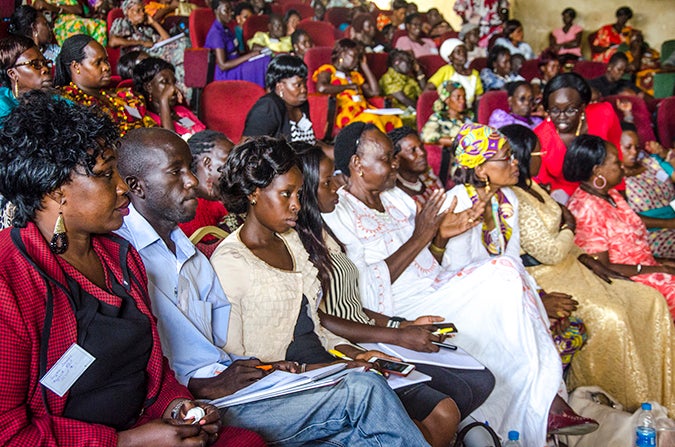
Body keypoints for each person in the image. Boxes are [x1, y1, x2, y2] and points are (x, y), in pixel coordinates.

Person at [114, 128, 427, 446]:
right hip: (224, 398)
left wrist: (340, 358)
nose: (193, 180)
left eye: (298, 194)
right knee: (366, 390)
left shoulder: (191, 257)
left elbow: (296, 331)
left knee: (363, 433)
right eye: (175, 171)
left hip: (259, 380)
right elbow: (225, 355)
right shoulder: (132, 260)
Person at [322, 121, 593, 444]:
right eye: (386, 158)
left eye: (395, 156)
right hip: (398, 304)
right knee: (503, 276)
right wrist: (423, 235)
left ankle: (540, 401)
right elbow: (362, 290)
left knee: (506, 273)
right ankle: (539, 406)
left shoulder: (398, 200)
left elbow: (429, 262)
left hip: (436, 284)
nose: (396, 163)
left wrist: (440, 238)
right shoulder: (340, 214)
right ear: (358, 165)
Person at [0, 91, 233, 447]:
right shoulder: (10, 278)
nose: (123, 188)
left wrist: (176, 404)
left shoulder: (120, 256)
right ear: (56, 190)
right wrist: (126, 441)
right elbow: (9, 433)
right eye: (106, 175)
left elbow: (151, 373)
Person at [294, 143, 497, 445]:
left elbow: (351, 303)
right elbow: (324, 319)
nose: (337, 186)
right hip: (348, 341)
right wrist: (397, 335)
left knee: (481, 381)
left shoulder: (325, 232)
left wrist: (401, 324)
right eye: (327, 182)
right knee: (453, 400)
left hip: (369, 328)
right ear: (306, 191)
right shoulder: (301, 245)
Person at [502, 123, 675, 413]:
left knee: (650, 300)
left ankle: (661, 394)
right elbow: (550, 250)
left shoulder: (533, 187)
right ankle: (625, 402)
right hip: (547, 273)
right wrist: (570, 227)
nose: (543, 156)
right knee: (613, 315)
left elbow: (568, 245)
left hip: (573, 263)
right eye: (537, 151)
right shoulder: (514, 198)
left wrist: (588, 259)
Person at [563, 134, 675, 317]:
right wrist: (657, 269)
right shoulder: (585, 209)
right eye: (616, 163)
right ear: (598, 170)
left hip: (645, 267)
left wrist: (659, 263)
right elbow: (603, 268)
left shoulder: (611, 194)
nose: (622, 167)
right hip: (625, 280)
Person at [533, 73, 622, 203]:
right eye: (554, 110)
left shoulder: (604, 114)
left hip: (603, 187)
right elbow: (541, 182)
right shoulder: (540, 137)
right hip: (564, 197)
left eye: (570, 110)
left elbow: (617, 154)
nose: (561, 117)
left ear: (582, 107)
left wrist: (620, 192)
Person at [55, 35, 155, 135]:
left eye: (106, 60)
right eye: (98, 62)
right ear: (76, 66)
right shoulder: (68, 101)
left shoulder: (120, 97)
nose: (106, 67)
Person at [313, 38, 402, 132]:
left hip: (364, 111)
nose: (356, 61)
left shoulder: (355, 76)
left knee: (393, 119)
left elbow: (375, 92)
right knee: (373, 121)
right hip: (346, 114)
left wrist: (365, 66)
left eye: (358, 58)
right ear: (343, 54)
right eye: (354, 56)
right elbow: (322, 88)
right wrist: (348, 87)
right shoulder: (328, 70)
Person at [109, 0, 190, 95]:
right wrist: (142, 43)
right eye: (138, 10)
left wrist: (153, 23)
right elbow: (113, 42)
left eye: (143, 10)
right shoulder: (123, 23)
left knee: (181, 44)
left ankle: (183, 88)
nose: (142, 13)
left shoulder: (145, 27)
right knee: (178, 51)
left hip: (152, 54)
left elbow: (168, 40)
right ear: (129, 11)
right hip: (136, 59)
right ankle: (182, 89)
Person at [620, 123, 675, 259]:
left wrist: (663, 153)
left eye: (636, 147)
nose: (634, 152)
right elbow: (627, 219)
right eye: (628, 147)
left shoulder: (651, 162)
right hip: (654, 233)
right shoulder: (615, 180)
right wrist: (671, 223)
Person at [243, 54, 318, 144]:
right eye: (298, 85)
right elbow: (247, 151)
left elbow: (311, 143)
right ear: (280, 86)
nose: (304, 89)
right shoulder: (267, 108)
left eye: (305, 83)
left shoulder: (301, 103)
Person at [176, 130, 232, 239]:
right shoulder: (196, 210)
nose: (236, 164)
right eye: (229, 160)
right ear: (208, 165)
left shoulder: (223, 196)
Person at [132, 57, 205, 137]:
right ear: (148, 87)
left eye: (173, 83)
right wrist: (164, 101)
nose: (172, 88)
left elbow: (204, 136)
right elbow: (170, 144)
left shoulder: (181, 111)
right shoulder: (146, 118)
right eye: (164, 82)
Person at [204, 0, 269, 88]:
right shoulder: (216, 34)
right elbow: (223, 65)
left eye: (231, 10)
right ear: (216, 11)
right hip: (226, 74)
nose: (230, 13)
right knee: (263, 63)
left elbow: (237, 52)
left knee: (264, 58)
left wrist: (253, 53)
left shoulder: (227, 30)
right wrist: (250, 55)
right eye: (226, 10)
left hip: (236, 66)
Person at [0, 35, 53, 120]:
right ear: (13, 74)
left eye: (45, 63)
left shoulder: (55, 98)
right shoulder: (3, 108)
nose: (45, 69)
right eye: (35, 64)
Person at [389, 126, 445, 203]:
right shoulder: (395, 193)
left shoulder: (429, 176)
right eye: (413, 150)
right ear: (395, 159)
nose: (422, 153)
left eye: (421, 146)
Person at [427, 38, 483, 109]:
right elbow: (428, 89)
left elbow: (478, 98)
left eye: (464, 51)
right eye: (458, 52)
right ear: (450, 57)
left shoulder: (474, 74)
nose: (462, 54)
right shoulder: (446, 70)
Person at [378, 49, 424, 126]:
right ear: (396, 62)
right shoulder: (388, 77)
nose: (409, 63)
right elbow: (403, 99)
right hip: (399, 111)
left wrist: (419, 71)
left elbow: (424, 93)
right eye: (406, 60)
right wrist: (422, 110)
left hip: (413, 108)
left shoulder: (408, 77)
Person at [31, 0, 107, 46]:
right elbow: (36, 11)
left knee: (101, 24)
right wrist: (64, 8)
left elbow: (78, 9)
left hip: (77, 20)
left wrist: (52, 7)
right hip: (57, 25)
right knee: (75, 27)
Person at [421, 81, 472, 146]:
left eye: (464, 96)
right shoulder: (438, 117)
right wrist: (452, 141)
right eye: (458, 97)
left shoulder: (469, 115)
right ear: (447, 99)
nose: (463, 101)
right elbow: (425, 136)